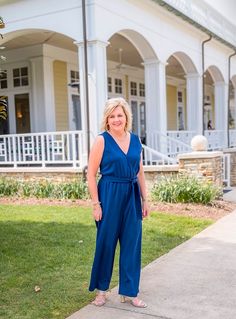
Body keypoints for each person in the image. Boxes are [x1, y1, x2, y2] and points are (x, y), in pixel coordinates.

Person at [87, 97, 149, 308]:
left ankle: (130, 292)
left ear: (126, 117)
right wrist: (96, 204)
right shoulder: (102, 140)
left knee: (132, 244)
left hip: (132, 196)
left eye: (119, 115)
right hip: (109, 195)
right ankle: (102, 291)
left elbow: (140, 171)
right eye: (112, 116)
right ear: (107, 119)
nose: (116, 119)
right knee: (106, 244)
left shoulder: (135, 140)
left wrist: (144, 199)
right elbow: (91, 175)